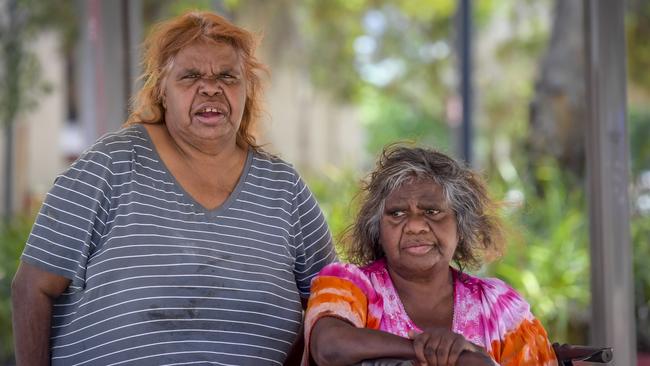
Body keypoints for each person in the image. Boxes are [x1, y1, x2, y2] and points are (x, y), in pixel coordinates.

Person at [11, 11, 336, 366]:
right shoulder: (112, 164)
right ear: (162, 90)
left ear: (249, 89)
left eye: (228, 76)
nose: (210, 87)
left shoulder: (284, 189)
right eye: (190, 76)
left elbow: (333, 305)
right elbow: (32, 288)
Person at [303, 145, 558, 366]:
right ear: (377, 230)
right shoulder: (350, 286)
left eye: (432, 211)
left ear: (461, 225)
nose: (415, 226)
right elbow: (330, 347)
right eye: (397, 214)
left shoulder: (499, 307)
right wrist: (448, 353)